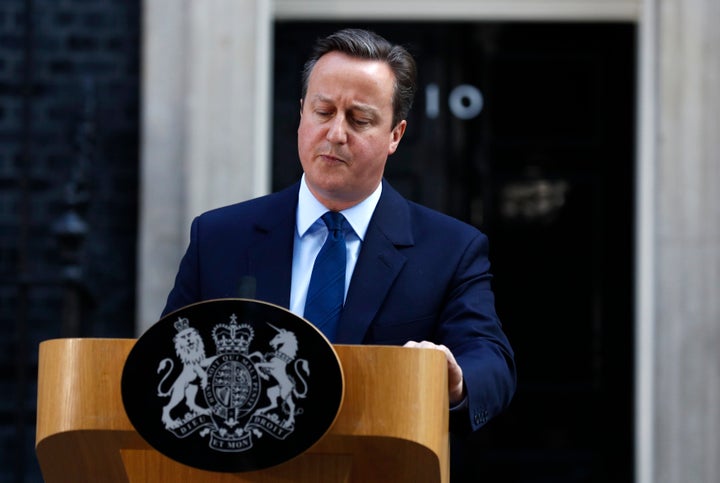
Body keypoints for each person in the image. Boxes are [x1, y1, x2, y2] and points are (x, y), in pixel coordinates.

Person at [162, 27, 516, 475]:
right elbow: (166, 358)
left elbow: (492, 364)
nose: (335, 133)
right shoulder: (218, 236)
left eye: (359, 119)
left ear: (396, 135)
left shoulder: (450, 249)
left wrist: (454, 378)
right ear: (301, 116)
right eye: (323, 111)